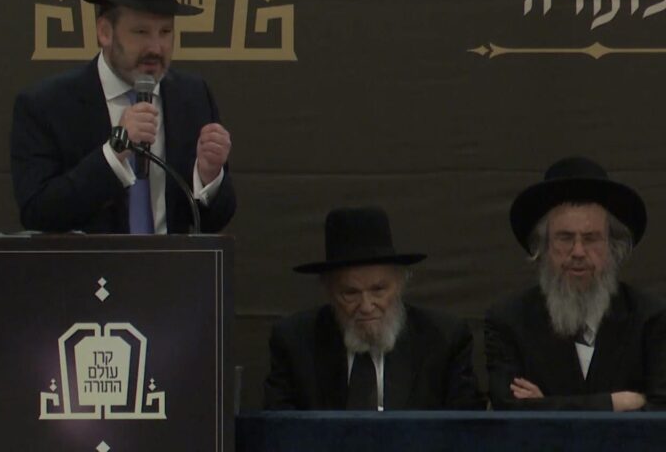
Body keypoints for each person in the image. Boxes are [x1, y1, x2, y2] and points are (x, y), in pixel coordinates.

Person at [11, 0, 236, 234]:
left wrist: (209, 176)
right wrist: (114, 151)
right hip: (88, 263)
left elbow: (215, 220)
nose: (156, 48)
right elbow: (38, 213)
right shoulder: (47, 105)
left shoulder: (192, 97)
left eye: (165, 32)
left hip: (171, 262)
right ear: (105, 32)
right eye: (141, 32)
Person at [486, 156, 665, 411]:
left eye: (591, 238)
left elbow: (661, 412)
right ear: (543, 246)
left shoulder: (652, 319)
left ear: (612, 247)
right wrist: (615, 402)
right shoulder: (509, 320)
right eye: (565, 238)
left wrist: (545, 405)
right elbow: (509, 409)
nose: (578, 251)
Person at [264, 206, 485, 410]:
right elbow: (279, 428)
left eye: (378, 290)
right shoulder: (295, 343)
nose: (367, 306)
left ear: (400, 285)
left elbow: (465, 429)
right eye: (350, 293)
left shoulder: (443, 339)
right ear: (330, 292)